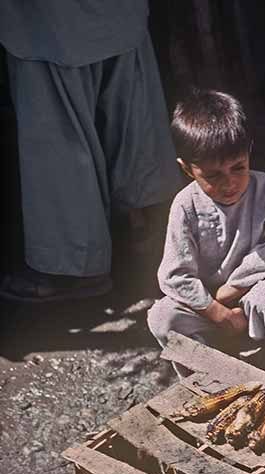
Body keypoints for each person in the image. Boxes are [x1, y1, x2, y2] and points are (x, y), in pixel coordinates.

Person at [0, 0, 181, 302]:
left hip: (49, 27)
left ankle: (74, 266)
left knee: (59, 131)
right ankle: (146, 226)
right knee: (132, 111)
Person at [147, 90, 265, 392]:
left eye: (238, 167)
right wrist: (216, 312)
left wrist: (226, 299)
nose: (229, 183)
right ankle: (206, 383)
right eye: (213, 175)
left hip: (255, 290)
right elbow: (174, 275)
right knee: (162, 317)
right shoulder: (185, 206)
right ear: (187, 169)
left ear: (249, 152)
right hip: (208, 306)